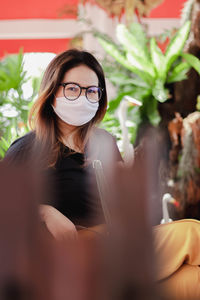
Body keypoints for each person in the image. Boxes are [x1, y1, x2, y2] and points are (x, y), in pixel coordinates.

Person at [4, 49, 122, 239]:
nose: (83, 98)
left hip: (115, 247)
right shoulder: (26, 149)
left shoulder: (105, 142)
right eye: (72, 88)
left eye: (92, 91)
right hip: (64, 255)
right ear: (52, 92)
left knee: (187, 235)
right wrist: (44, 212)